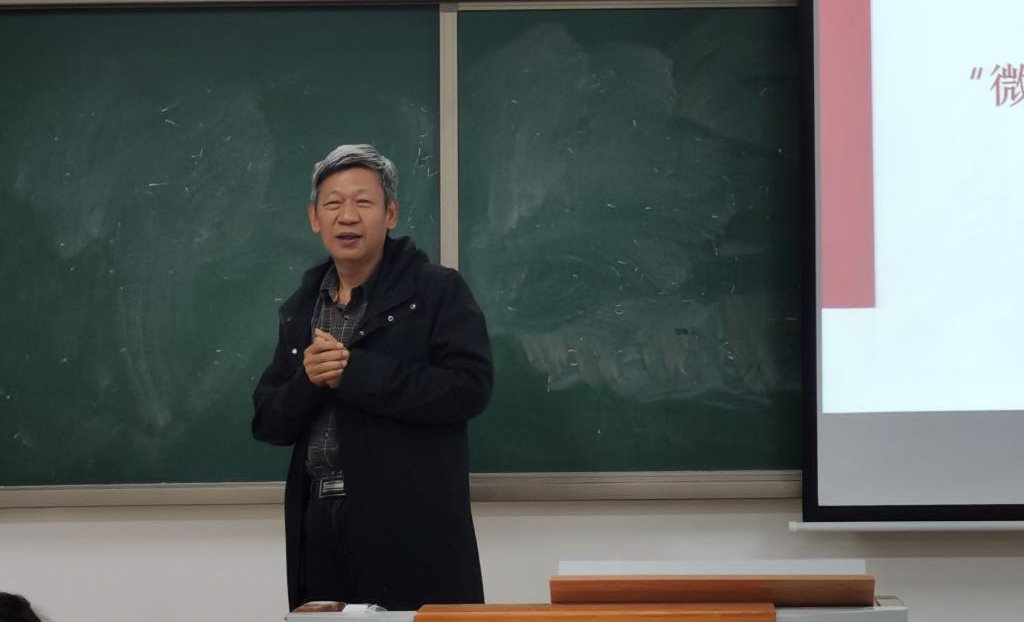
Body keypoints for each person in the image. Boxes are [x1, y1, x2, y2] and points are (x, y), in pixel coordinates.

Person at [252, 144, 493, 612]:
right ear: (314, 218)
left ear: (391, 214)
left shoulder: (436, 290)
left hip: (408, 524)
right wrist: (309, 381)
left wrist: (355, 372)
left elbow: (468, 389)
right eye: (333, 203)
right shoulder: (302, 307)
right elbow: (268, 421)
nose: (347, 216)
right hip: (318, 520)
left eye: (363, 202)